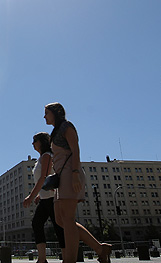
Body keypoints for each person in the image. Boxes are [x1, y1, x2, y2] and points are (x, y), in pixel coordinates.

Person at [44, 103, 111, 263]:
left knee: (67, 218)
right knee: (61, 220)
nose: (44, 116)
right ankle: (101, 249)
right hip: (61, 177)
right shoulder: (55, 132)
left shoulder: (67, 126)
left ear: (56, 113)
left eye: (46, 113)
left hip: (70, 173)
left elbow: (75, 150)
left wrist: (74, 174)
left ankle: (70, 260)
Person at [22, 132, 65, 263]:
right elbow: (45, 180)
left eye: (35, 141)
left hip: (53, 198)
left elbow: (44, 177)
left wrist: (31, 196)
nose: (32, 144)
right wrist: (40, 195)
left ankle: (66, 256)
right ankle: (42, 258)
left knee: (59, 226)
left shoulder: (47, 156)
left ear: (41, 142)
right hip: (46, 198)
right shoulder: (41, 158)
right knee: (37, 223)